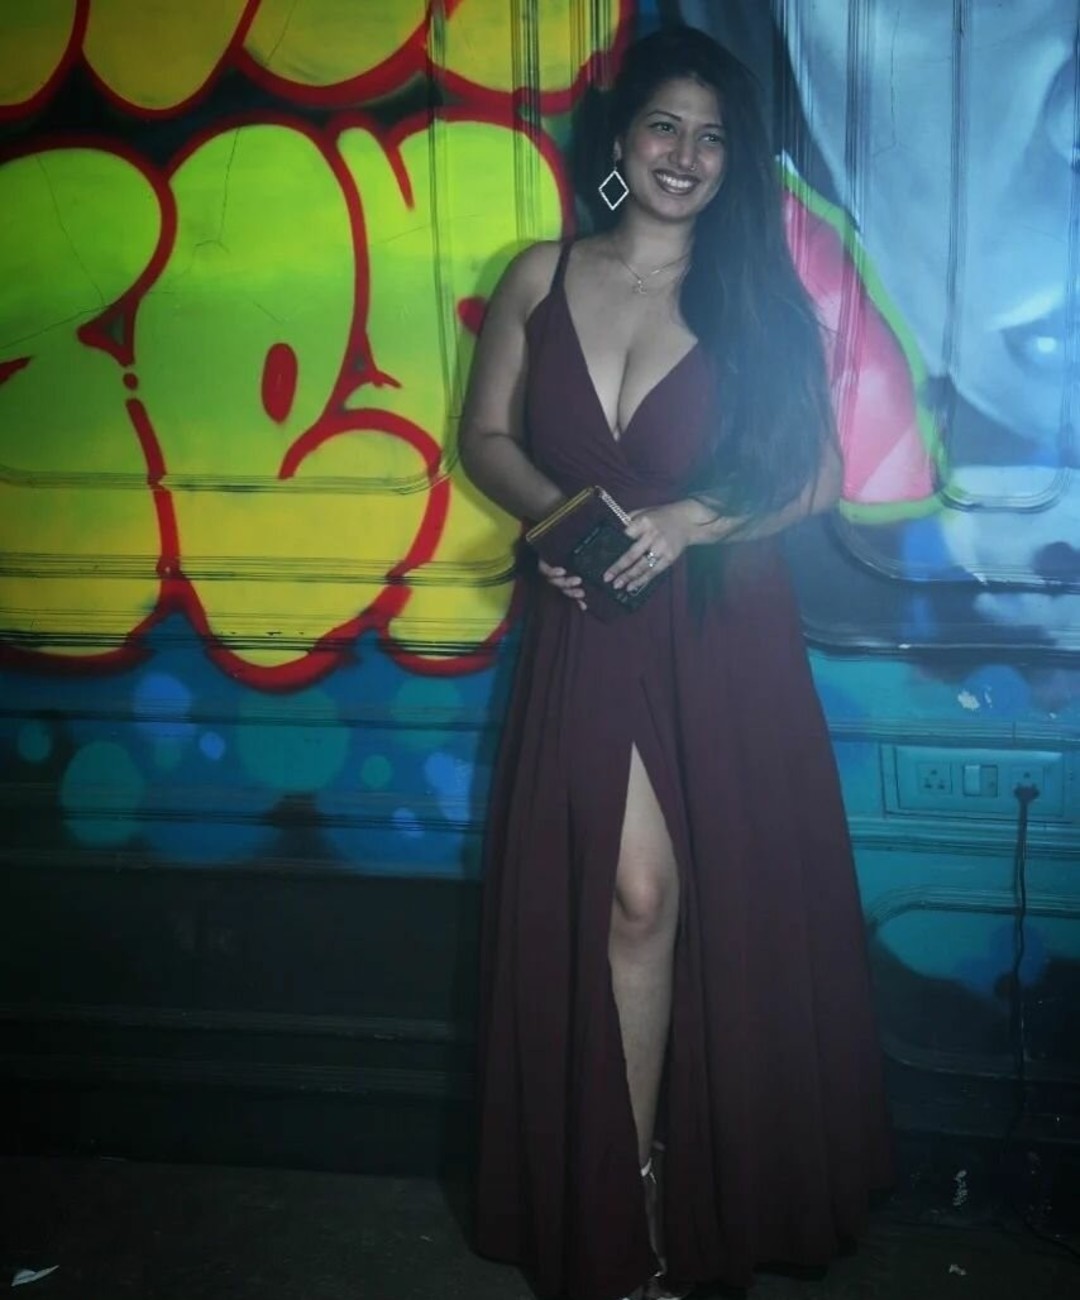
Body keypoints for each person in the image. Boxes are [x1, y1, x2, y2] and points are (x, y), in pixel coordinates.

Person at [460, 26, 893, 1300]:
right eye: (666, 125)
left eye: (712, 138)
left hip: (718, 627)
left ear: (732, 161)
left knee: (692, 902)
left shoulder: (759, 300)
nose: (686, 156)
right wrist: (560, 523)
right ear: (622, 137)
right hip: (587, 613)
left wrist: (690, 520)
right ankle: (630, 1211)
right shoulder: (540, 275)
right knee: (630, 896)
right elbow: (487, 438)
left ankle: (674, 1204)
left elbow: (817, 476)